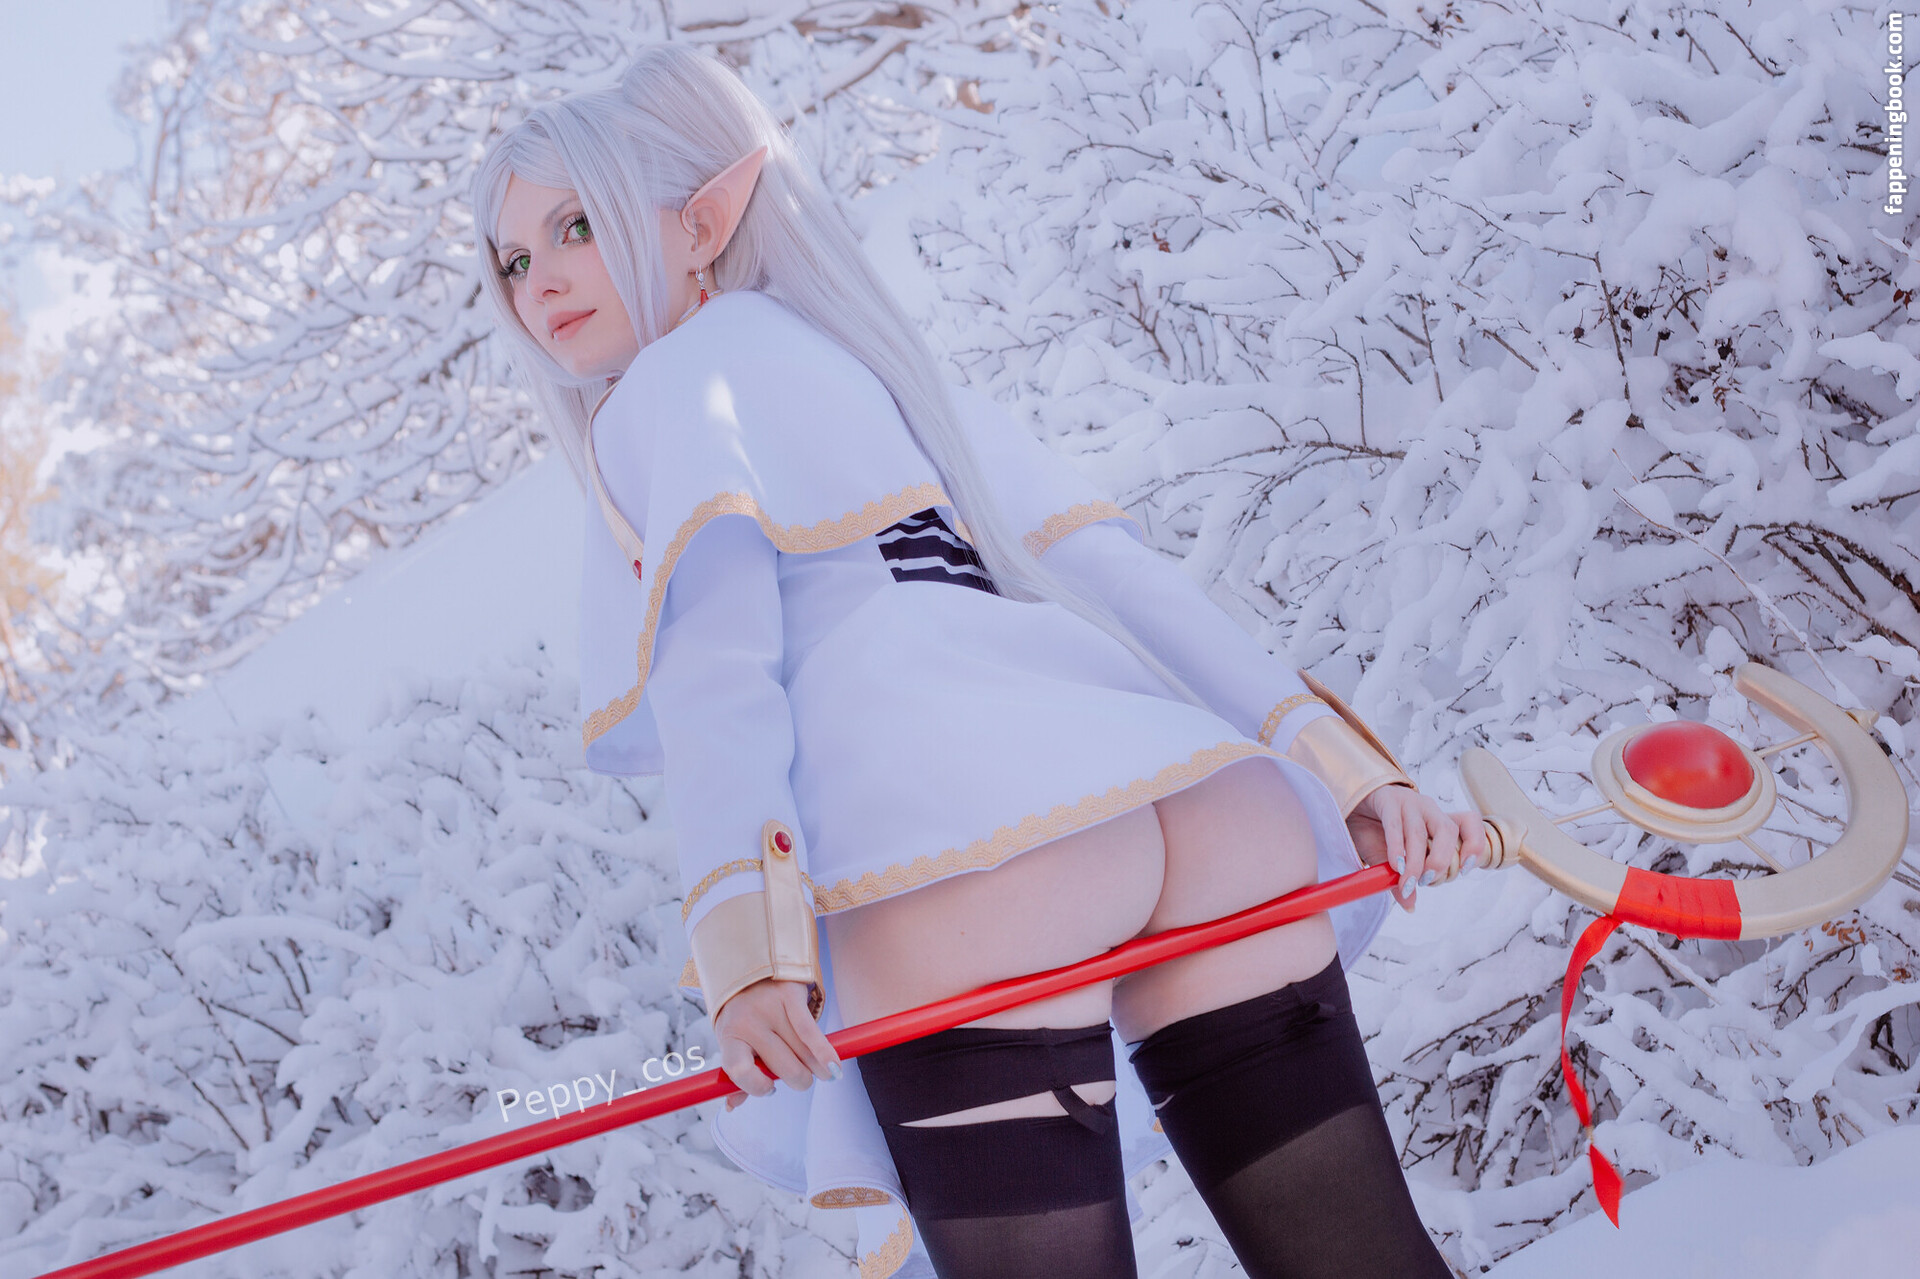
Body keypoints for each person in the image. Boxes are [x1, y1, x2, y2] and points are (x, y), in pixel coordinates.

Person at [472, 43, 1484, 1279]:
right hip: (1199, 806)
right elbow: (1118, 574)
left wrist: (751, 956)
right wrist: (1341, 765)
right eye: (511, 259)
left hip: (972, 860)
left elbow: (717, 680)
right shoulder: (877, 361)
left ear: (702, 223)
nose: (540, 279)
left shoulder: (670, 390)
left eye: (577, 225)